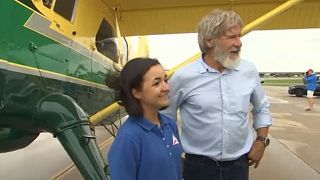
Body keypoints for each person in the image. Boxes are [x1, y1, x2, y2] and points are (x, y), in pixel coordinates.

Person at [162, 9, 272, 180]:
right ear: (209, 41)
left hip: (239, 166)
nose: (239, 43)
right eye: (231, 37)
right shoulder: (183, 77)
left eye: (239, 36)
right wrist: (173, 152)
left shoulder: (248, 70)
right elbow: (165, 118)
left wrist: (261, 141)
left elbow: (262, 108)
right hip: (197, 168)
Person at [107, 57, 183, 180]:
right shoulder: (128, 138)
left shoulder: (170, 125)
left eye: (165, 80)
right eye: (156, 83)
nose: (166, 88)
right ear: (136, 92)